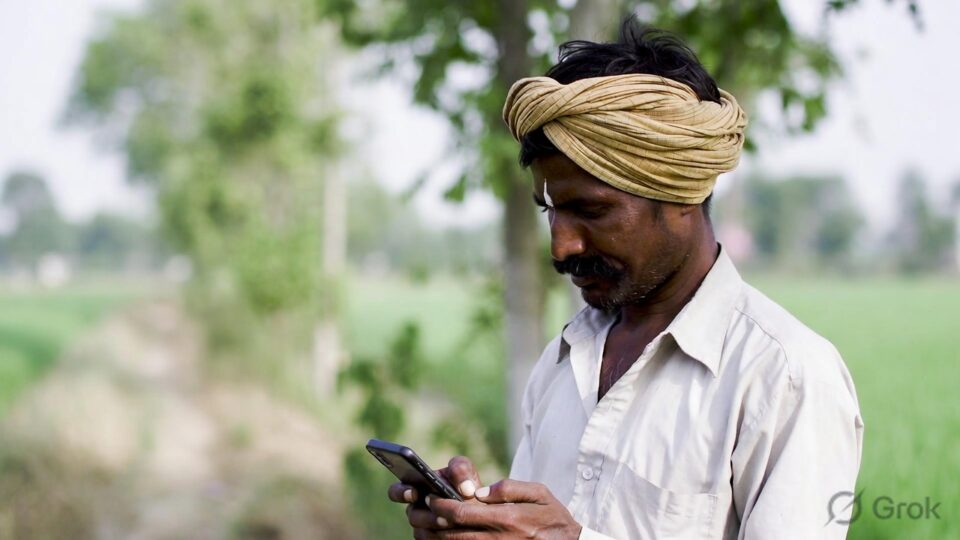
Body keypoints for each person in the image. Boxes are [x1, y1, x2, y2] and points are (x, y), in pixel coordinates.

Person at [387, 19, 863, 540]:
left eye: (591, 210)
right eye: (550, 210)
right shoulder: (565, 359)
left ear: (680, 193)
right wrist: (473, 526)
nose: (561, 246)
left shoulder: (784, 376)